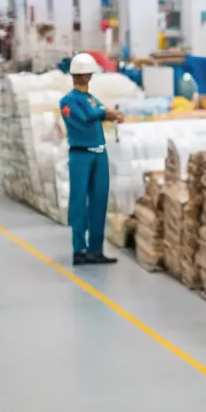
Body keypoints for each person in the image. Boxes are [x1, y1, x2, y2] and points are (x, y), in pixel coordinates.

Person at [59, 52, 123, 265]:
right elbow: (86, 116)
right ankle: (79, 249)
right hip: (80, 155)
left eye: (87, 74)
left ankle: (95, 249)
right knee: (79, 202)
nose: (86, 78)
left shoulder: (91, 99)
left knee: (99, 201)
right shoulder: (68, 102)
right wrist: (107, 114)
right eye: (85, 74)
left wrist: (111, 113)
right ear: (81, 76)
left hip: (99, 154)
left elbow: (100, 110)